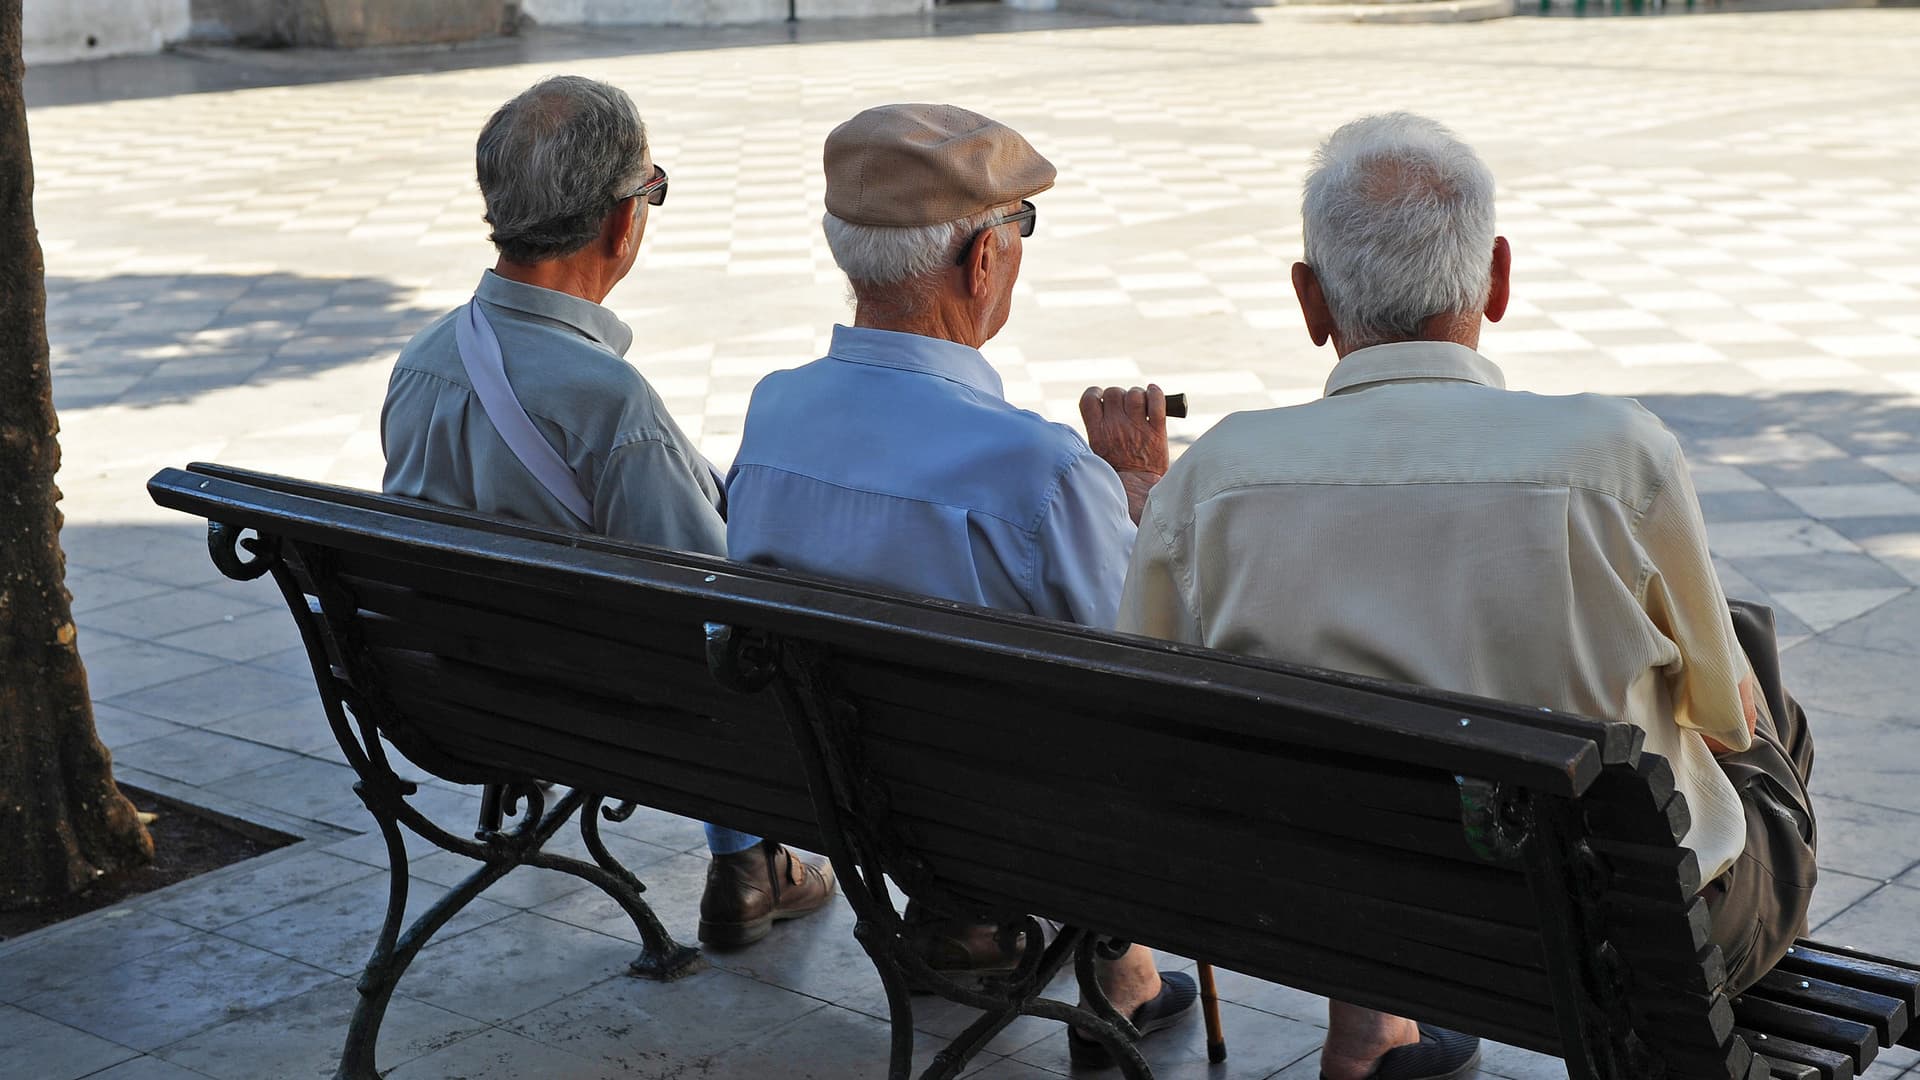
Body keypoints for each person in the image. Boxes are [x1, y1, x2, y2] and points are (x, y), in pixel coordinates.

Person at [1118, 112, 1817, 1080]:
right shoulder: (1617, 457)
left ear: (1310, 301)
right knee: (1755, 675)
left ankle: (1370, 1024)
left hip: (1343, 918)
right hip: (1618, 937)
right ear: (1496, 278)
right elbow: (1723, 718)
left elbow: (1155, 715)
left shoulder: (1212, 481)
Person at [726, 102, 1195, 1068]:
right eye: (1020, 229)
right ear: (982, 261)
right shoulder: (1043, 471)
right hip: (1004, 822)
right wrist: (1137, 493)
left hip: (838, 795)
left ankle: (1017, 941)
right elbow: (1140, 673)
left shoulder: (772, 417)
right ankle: (1120, 975)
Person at [379, 75, 833, 951]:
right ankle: (751, 860)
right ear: (624, 220)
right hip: (597, 717)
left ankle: (745, 862)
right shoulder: (611, 404)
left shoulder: (423, 359)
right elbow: (719, 612)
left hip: (452, 694)